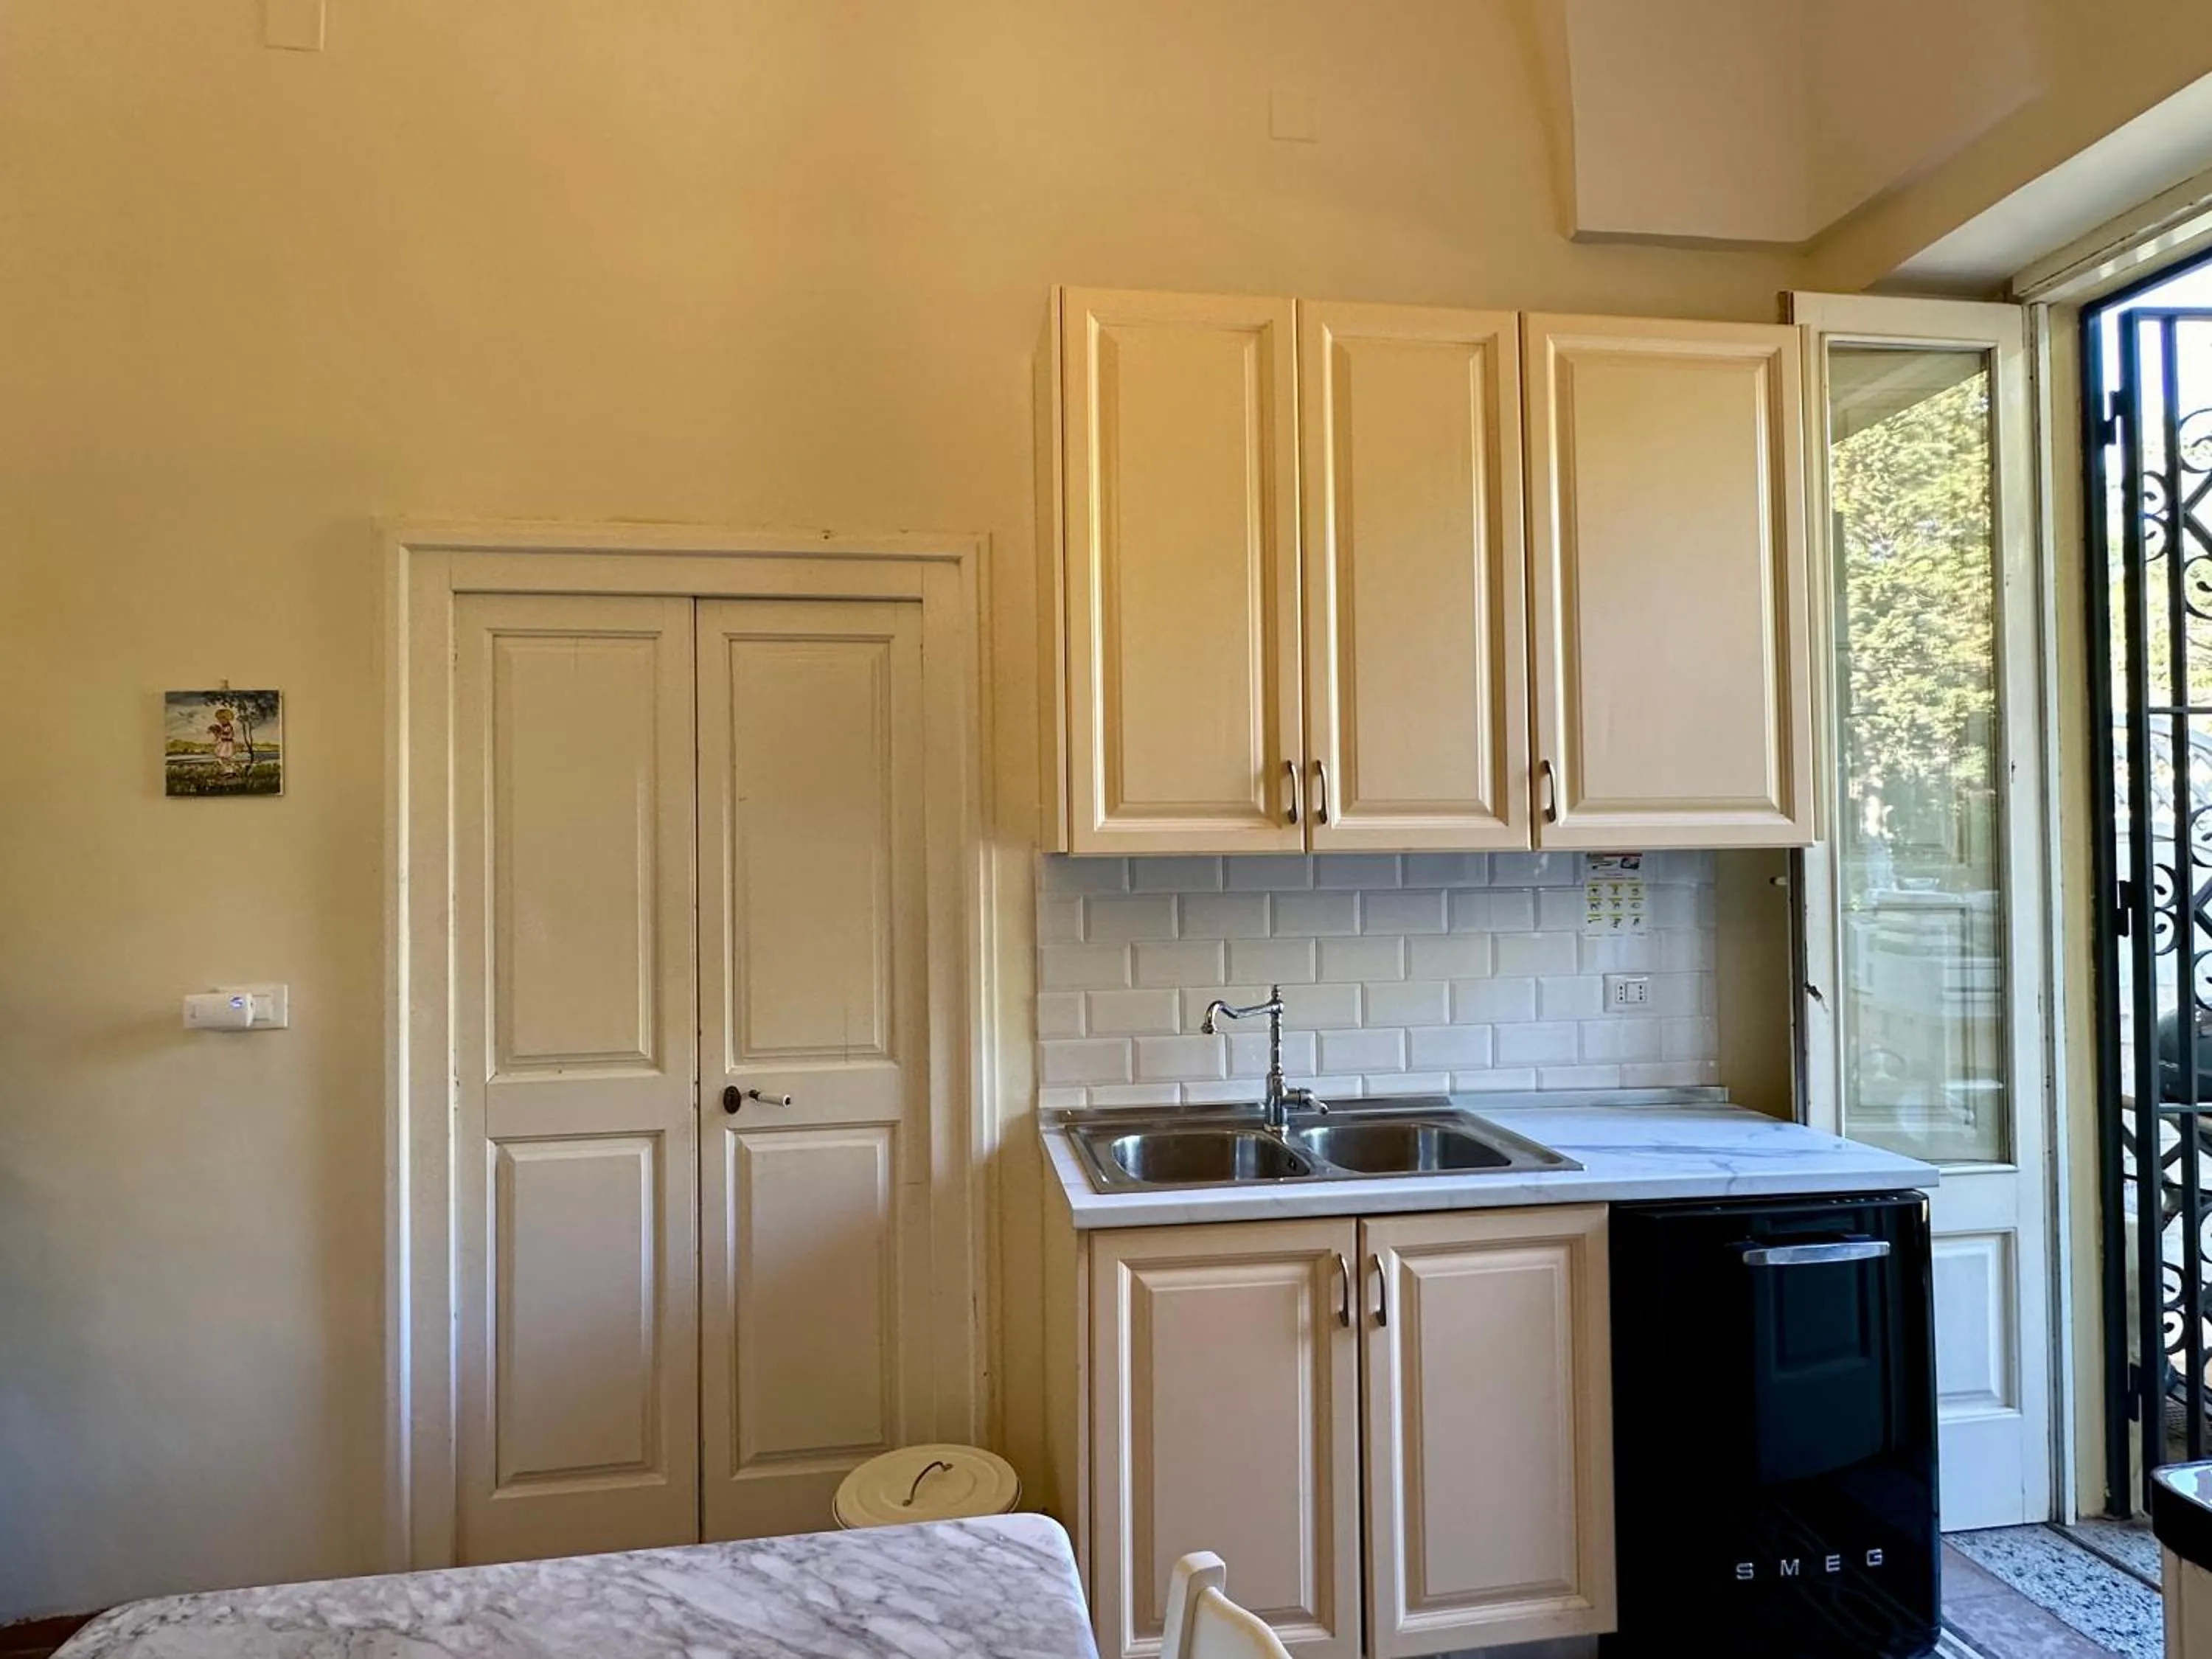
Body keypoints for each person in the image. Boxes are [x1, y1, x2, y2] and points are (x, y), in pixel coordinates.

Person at [208, 706, 239, 774]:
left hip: (227, 745)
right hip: (223, 744)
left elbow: (227, 735)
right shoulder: (223, 727)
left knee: (226, 758)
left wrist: (219, 733)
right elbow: (220, 735)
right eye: (219, 719)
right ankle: (227, 771)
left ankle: (230, 771)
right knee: (222, 758)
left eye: (222, 719)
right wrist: (216, 732)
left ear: (227, 719)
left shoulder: (228, 727)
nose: (220, 721)